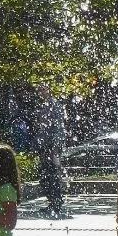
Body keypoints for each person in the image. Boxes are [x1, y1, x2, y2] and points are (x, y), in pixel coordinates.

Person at [34, 86, 67, 218]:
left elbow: (58, 127)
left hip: (51, 147)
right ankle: (52, 202)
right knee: (45, 175)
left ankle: (56, 203)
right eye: (40, 90)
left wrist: (55, 147)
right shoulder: (43, 105)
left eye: (43, 90)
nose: (41, 92)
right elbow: (41, 128)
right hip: (44, 146)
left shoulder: (54, 105)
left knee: (52, 175)